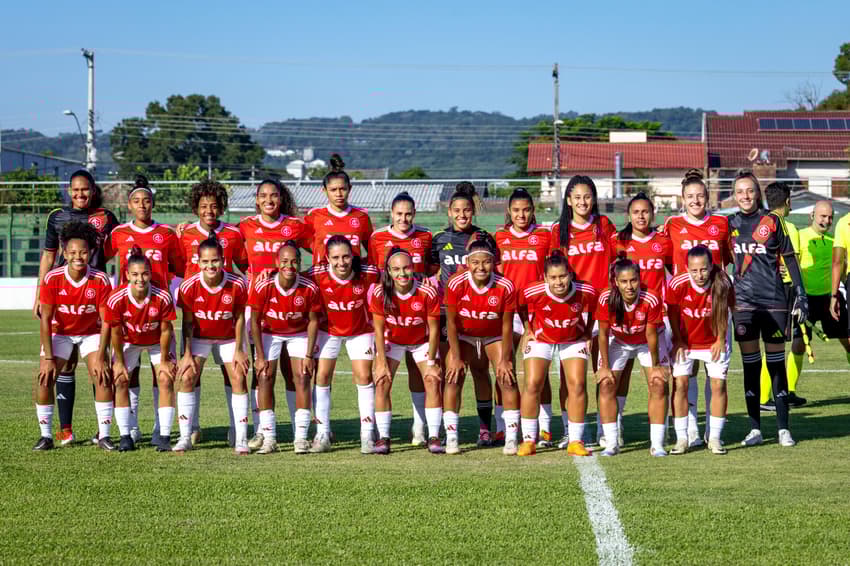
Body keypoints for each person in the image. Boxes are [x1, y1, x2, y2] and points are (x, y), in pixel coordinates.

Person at [33, 169, 119, 446]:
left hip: (93, 296)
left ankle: (102, 433)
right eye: (76, 190)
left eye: (85, 189)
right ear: (70, 191)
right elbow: (48, 257)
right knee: (62, 367)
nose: (81, 194)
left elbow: (121, 244)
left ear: (93, 190)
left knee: (100, 370)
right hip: (63, 299)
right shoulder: (57, 217)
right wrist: (38, 294)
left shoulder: (106, 217)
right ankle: (63, 431)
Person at [103, 176, 183, 446]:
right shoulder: (118, 234)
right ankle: (131, 428)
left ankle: (161, 430)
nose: (142, 205)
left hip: (158, 309)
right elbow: (99, 259)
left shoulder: (167, 234)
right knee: (127, 374)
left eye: (146, 201)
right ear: (129, 205)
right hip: (127, 312)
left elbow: (179, 267)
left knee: (163, 375)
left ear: (153, 204)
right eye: (136, 201)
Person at [729, 176, 807, 448]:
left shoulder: (772, 221)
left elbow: (790, 259)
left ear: (757, 193)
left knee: (775, 365)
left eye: (750, 191)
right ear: (734, 195)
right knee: (751, 367)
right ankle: (754, 429)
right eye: (740, 191)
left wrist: (801, 295)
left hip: (774, 302)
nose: (745, 196)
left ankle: (783, 429)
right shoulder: (729, 224)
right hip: (743, 305)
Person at [238, 179, 313, 448]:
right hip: (259, 307)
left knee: (294, 372)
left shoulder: (294, 225)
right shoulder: (245, 225)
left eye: (274, 195)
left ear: (281, 199)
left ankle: (298, 430)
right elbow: (233, 251)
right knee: (261, 370)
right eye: (263, 196)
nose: (268, 200)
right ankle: (262, 430)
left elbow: (318, 249)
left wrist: (302, 278)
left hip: (291, 306)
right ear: (257, 200)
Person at [662, 169, 733, 448]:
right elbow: (665, 260)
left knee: (715, 376)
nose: (695, 201)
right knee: (685, 375)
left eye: (700, 196)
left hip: (714, 307)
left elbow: (729, 259)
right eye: (690, 196)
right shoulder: (672, 224)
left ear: (708, 197)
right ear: (683, 198)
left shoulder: (721, 223)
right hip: (685, 308)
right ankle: (689, 431)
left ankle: (713, 435)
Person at [177, 179, 249, 446]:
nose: (209, 210)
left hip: (225, 311)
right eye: (203, 205)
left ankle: (236, 430)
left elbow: (244, 264)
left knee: (232, 373)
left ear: (221, 208)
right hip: (197, 313)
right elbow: (176, 265)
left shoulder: (233, 234)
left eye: (214, 205)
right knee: (190, 373)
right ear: (195, 208)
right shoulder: (184, 234)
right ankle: (192, 427)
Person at [429, 183, 499, 446]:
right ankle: (448, 430)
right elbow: (430, 272)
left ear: (473, 211)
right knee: (452, 372)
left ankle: (485, 429)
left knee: (480, 370)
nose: (462, 215)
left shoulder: (484, 238)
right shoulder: (439, 239)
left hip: (479, 314)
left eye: (467, 210)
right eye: (457, 210)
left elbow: (494, 271)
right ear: (449, 211)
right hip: (448, 315)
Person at [550, 175, 616, 448]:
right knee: (570, 376)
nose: (582, 202)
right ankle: (570, 429)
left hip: (602, 308)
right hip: (572, 309)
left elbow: (619, 257)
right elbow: (554, 272)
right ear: (568, 200)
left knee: (603, 370)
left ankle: (604, 428)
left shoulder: (604, 225)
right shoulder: (559, 230)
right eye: (577, 197)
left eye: (587, 196)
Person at [368, 191, 434, 446]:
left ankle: (420, 427)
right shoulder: (377, 237)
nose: (403, 219)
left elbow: (431, 270)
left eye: (408, 214)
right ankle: (380, 433)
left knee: (420, 374)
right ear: (391, 214)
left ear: (414, 214)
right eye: (399, 214)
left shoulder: (425, 236)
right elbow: (374, 272)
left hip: (417, 313)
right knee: (383, 376)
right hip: (391, 313)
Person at [608, 192, 673, 449]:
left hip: (656, 320)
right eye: (636, 212)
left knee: (658, 379)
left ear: (653, 214)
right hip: (624, 320)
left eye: (645, 211)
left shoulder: (663, 241)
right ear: (629, 215)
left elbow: (675, 273)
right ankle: (615, 426)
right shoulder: (618, 242)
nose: (641, 216)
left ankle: (659, 434)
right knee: (619, 376)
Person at [517, 251, 597, 457]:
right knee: (532, 383)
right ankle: (528, 440)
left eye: (562, 276)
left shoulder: (585, 290)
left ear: (570, 274)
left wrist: (588, 331)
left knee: (577, 384)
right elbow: (519, 304)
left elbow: (596, 306)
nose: (558, 282)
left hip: (573, 339)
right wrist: (527, 328)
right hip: (541, 338)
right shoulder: (533, 290)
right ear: (545, 277)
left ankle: (575, 441)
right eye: (553, 277)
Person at [444, 236, 519, 455]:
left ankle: (511, 437)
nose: (481, 267)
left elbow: (507, 325)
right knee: (453, 377)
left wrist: (505, 359)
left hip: (494, 335)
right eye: (475, 262)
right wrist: (456, 357)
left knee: (507, 378)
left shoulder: (505, 285)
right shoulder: (456, 283)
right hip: (465, 336)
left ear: (494, 262)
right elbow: (451, 323)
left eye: (486, 262)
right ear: (467, 263)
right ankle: (451, 437)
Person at [307, 235, 380, 454]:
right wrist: (271, 273)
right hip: (328, 331)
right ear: (327, 258)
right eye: (336, 258)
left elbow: (394, 275)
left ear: (353, 256)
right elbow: (291, 277)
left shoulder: (368, 273)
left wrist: (422, 278)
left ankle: (367, 434)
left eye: (346, 257)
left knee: (364, 376)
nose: (341, 262)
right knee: (322, 376)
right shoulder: (316, 274)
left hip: (360, 330)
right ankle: (322, 433)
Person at [493, 187, 553, 446]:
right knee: (503, 368)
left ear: (533, 210)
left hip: (536, 313)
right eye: (516, 210)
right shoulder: (499, 236)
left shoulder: (544, 235)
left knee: (539, 372)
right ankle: (502, 427)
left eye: (526, 210)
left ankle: (545, 427)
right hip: (506, 312)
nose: (521, 215)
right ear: (509, 211)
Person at [250, 241, 321, 454]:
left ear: (300, 262)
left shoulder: (309, 288)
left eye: (294, 261)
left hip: (298, 334)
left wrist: (309, 355)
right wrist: (259, 356)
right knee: (264, 376)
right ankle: (269, 437)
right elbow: (254, 321)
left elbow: (313, 321)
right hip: (270, 333)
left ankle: (300, 438)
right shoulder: (263, 286)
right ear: (276, 262)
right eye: (284, 261)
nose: (289, 266)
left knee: (303, 376)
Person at [370, 247, 442, 454]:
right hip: (392, 341)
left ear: (413, 268)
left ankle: (434, 437)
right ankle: (383, 438)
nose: (402, 273)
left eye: (406, 268)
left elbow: (434, 330)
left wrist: (431, 363)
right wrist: (381, 362)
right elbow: (378, 329)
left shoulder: (427, 291)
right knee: (382, 380)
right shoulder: (380, 292)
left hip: (421, 341)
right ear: (389, 271)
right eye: (396, 269)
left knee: (432, 380)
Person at [106, 247, 177, 452]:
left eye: (145, 273)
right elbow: (116, 333)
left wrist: (164, 361)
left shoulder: (162, 296)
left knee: (165, 379)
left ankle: (163, 436)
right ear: (127, 275)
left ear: (151, 274)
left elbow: (166, 330)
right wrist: (119, 362)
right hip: (129, 342)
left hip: (157, 342)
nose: (140, 279)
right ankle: (126, 436)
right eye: (135, 274)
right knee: (120, 380)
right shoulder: (116, 298)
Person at [596, 258, 669, 457]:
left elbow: (651, 334)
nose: (629, 286)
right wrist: (604, 366)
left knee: (658, 383)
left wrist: (656, 365)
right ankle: (611, 442)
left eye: (633, 280)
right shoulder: (606, 298)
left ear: (639, 279)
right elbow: (603, 334)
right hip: (619, 340)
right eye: (624, 281)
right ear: (616, 282)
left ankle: (657, 444)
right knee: (606, 383)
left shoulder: (651, 297)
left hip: (647, 342)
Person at [667, 245, 735, 455]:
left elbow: (726, 312)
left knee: (718, 385)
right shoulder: (677, 283)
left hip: (714, 340)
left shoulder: (723, 281)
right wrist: (678, 340)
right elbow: (672, 314)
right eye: (694, 270)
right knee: (680, 384)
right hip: (686, 342)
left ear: (711, 266)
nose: (699, 275)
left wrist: (720, 339)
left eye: (704, 269)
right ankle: (682, 438)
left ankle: (714, 437)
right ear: (687, 268)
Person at [784, 201, 850, 403]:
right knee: (798, 345)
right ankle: (789, 392)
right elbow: (790, 265)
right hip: (806, 300)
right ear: (812, 215)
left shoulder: (834, 241)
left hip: (830, 299)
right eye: (823, 216)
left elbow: (841, 268)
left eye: (830, 217)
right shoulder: (800, 236)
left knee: (848, 341)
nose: (826, 221)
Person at [305, 154, 373, 264]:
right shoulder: (314, 215)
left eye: (343, 189)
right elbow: (303, 241)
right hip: (323, 274)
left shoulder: (361, 216)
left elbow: (372, 250)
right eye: (333, 190)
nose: (338, 194)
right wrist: (319, 254)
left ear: (349, 188)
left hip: (352, 273)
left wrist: (360, 264)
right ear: (324, 190)